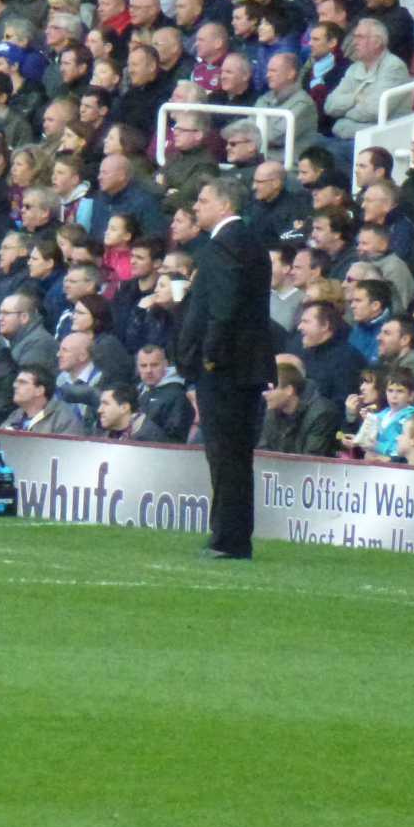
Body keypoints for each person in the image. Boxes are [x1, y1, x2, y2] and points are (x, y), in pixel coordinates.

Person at [176, 177, 277, 559]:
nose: (195, 208)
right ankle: (230, 535)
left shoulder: (224, 245)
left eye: (202, 201)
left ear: (223, 206)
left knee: (226, 454)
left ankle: (229, 539)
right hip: (243, 367)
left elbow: (222, 308)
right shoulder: (247, 242)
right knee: (233, 454)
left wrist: (208, 356)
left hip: (227, 370)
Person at [258, 361, 342, 457]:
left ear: (289, 390)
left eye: (270, 389)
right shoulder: (272, 410)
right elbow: (263, 452)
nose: (264, 393)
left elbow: (311, 459)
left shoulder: (323, 413)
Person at [5, 363, 86, 434]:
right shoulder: (15, 415)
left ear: (39, 390)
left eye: (22, 382)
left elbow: (67, 450)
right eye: (16, 382)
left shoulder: (63, 419)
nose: (15, 385)